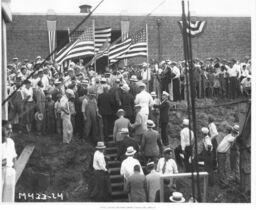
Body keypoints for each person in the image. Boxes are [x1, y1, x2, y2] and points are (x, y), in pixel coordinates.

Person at [2, 120, 17, 202]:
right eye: (7, 129)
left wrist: (14, 170)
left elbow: (14, 158)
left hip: (10, 172)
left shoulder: (11, 142)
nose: (10, 131)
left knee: (9, 199)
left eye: (11, 129)